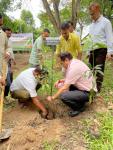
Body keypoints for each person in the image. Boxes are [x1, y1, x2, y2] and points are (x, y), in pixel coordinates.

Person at [47, 52, 97, 117]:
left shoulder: (74, 68)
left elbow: (65, 87)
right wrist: (60, 80)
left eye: (62, 63)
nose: (62, 65)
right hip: (84, 88)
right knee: (60, 85)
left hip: (89, 93)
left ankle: (79, 108)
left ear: (66, 60)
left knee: (64, 96)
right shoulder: (74, 62)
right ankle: (80, 101)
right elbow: (72, 78)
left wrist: (53, 97)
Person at [88, 2, 113, 92]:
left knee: (99, 70)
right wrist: (88, 51)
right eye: (90, 14)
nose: (91, 16)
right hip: (92, 50)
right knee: (90, 69)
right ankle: (90, 87)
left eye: (93, 14)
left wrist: (110, 52)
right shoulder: (91, 25)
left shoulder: (106, 22)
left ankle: (97, 90)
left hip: (102, 49)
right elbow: (90, 38)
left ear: (98, 10)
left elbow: (109, 37)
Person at [0, 14, 11, 95]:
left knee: (7, 85)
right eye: (2, 19)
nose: (2, 21)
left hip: (4, 66)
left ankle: (3, 99)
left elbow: (7, 46)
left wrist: (7, 52)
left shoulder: (2, 34)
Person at [3, 27, 15, 97]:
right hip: (3, 63)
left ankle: (5, 96)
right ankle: (3, 97)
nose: (9, 34)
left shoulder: (9, 41)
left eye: (10, 33)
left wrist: (13, 59)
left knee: (10, 78)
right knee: (7, 82)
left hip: (8, 62)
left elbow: (10, 51)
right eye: (8, 33)